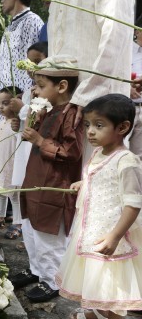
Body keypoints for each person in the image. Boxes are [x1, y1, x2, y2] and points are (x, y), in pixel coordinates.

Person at [56, 94, 142, 319]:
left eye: (99, 125)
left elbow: (133, 204)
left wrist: (114, 237)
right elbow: (103, 177)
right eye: (87, 125)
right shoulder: (98, 153)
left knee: (112, 291)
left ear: (122, 127)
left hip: (112, 235)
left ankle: (107, 315)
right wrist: (84, 183)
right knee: (96, 283)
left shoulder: (127, 161)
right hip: (92, 230)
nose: (90, 131)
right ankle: (95, 314)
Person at [11, 55, 84, 302]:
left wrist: (41, 141)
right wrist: (35, 108)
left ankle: (52, 280)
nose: (37, 90)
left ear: (62, 86)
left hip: (53, 185)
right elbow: (30, 130)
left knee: (48, 236)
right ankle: (37, 270)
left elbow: (72, 152)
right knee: (32, 231)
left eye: (42, 86)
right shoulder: (51, 110)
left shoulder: (72, 113)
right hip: (35, 181)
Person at [47, 0, 134, 161]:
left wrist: (88, 92)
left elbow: (115, 35)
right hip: (63, 101)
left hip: (96, 101)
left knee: (97, 172)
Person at [6, 41, 48, 240]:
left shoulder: (48, 91)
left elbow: (39, 117)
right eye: (29, 63)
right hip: (25, 150)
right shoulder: (30, 89)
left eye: (37, 62)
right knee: (25, 194)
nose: (32, 68)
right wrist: (17, 126)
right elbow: (25, 124)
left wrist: (23, 108)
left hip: (37, 151)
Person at [0, 0, 43, 124]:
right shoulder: (8, 28)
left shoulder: (33, 21)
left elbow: (37, 68)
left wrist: (25, 103)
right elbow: (1, 69)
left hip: (22, 108)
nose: (1, 1)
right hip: (4, 109)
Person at [0, 86, 22, 232]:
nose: (1, 107)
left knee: (14, 195)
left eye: (5, 103)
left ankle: (18, 223)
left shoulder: (17, 124)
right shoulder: (0, 124)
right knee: (0, 191)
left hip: (12, 166)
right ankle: (0, 216)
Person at [129, 15, 142, 160]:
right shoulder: (126, 51)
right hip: (126, 107)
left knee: (138, 157)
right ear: (137, 31)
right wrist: (125, 87)